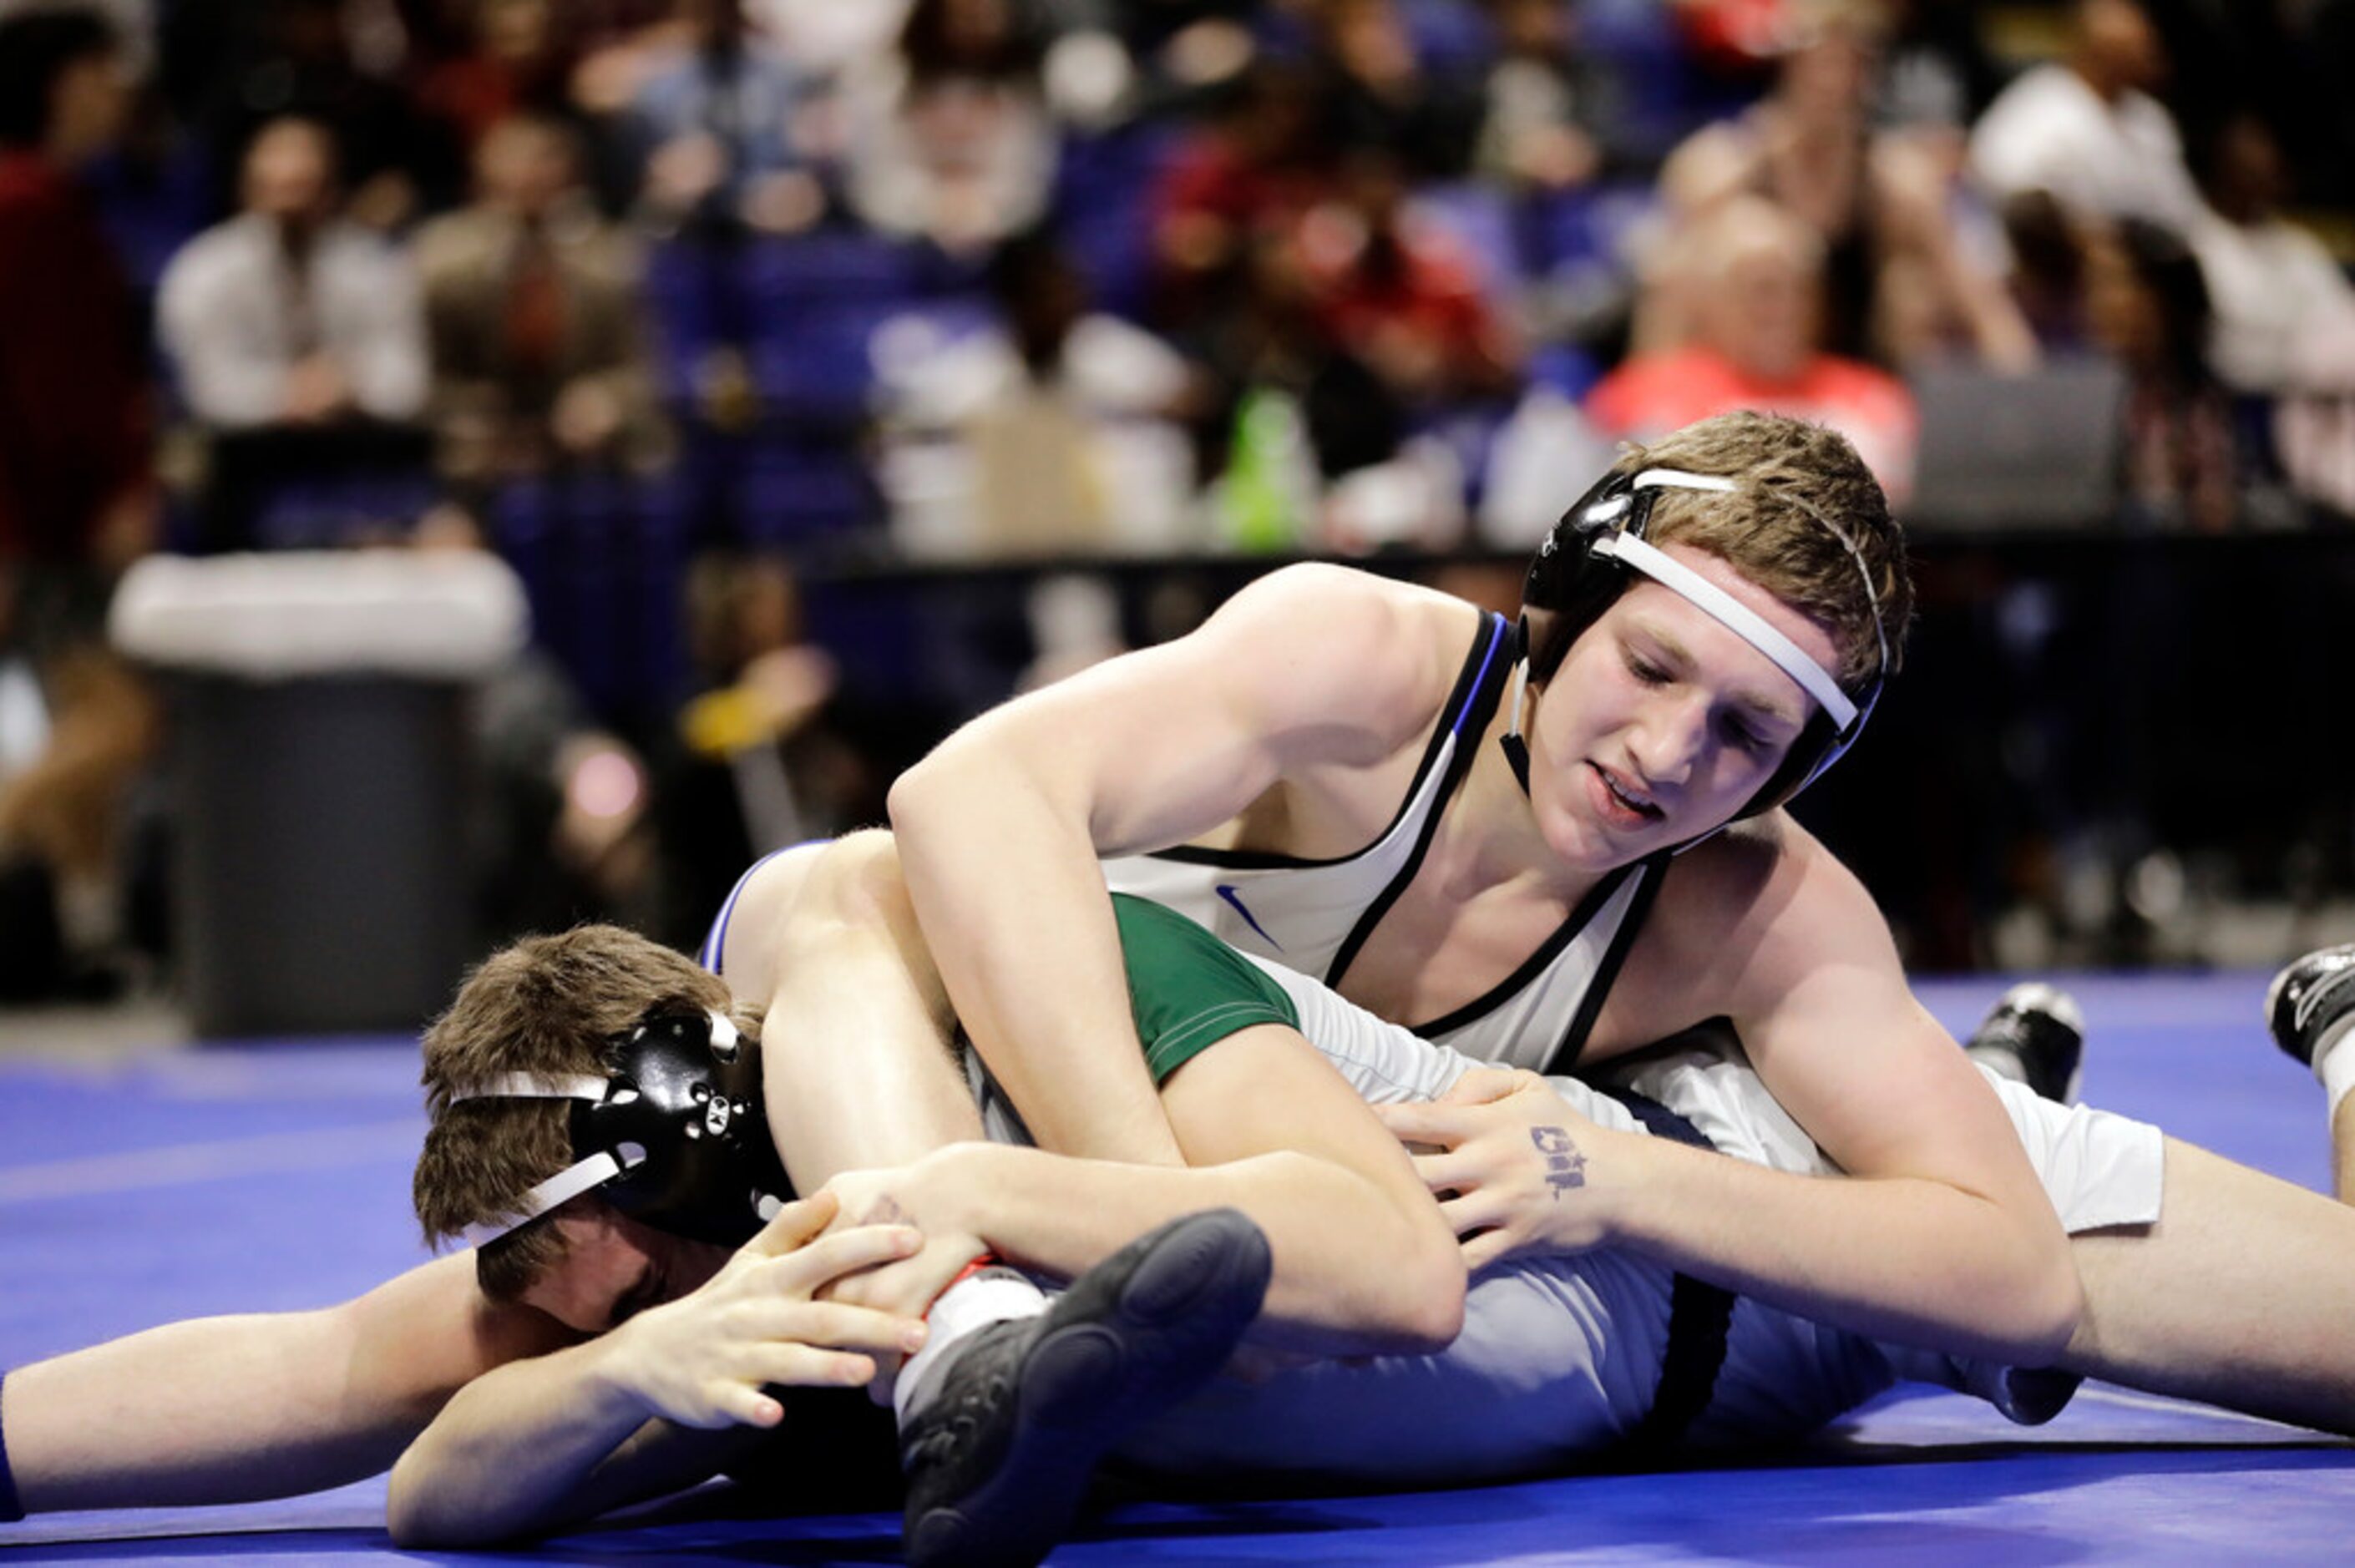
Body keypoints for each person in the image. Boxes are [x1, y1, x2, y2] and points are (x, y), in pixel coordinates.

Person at [886, 409, 2032, 1365]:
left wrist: (1627, 1180)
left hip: (1292, 1264)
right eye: (1649, 665)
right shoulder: (1363, 666)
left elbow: (2018, 1276)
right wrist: (1143, 1209)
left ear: (1795, 770)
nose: (1669, 751)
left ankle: (2003, 1083)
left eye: (1745, 731)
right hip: (1051, 1142)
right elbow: (966, 791)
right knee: (831, 892)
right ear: (1562, 611)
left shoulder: (1763, 908)